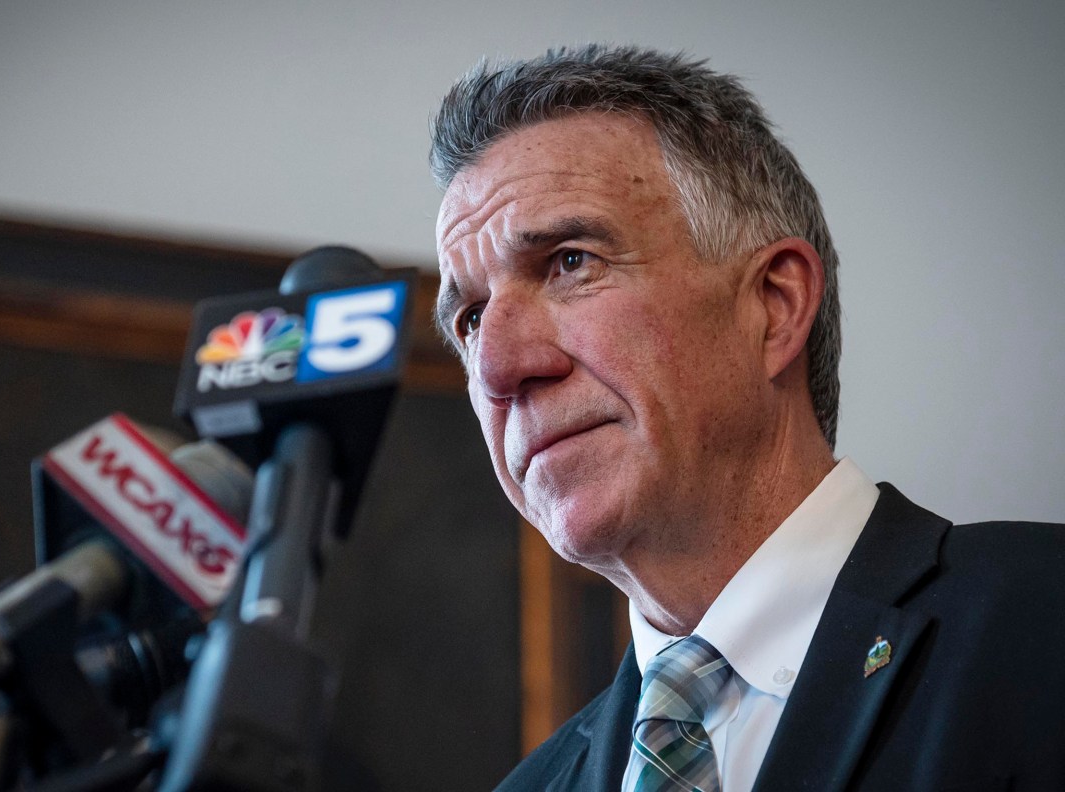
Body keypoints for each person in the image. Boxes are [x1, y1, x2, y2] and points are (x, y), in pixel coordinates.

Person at [429, 45, 1065, 791]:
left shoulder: (1044, 625)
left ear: (774, 306)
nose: (501, 366)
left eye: (570, 262)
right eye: (470, 320)